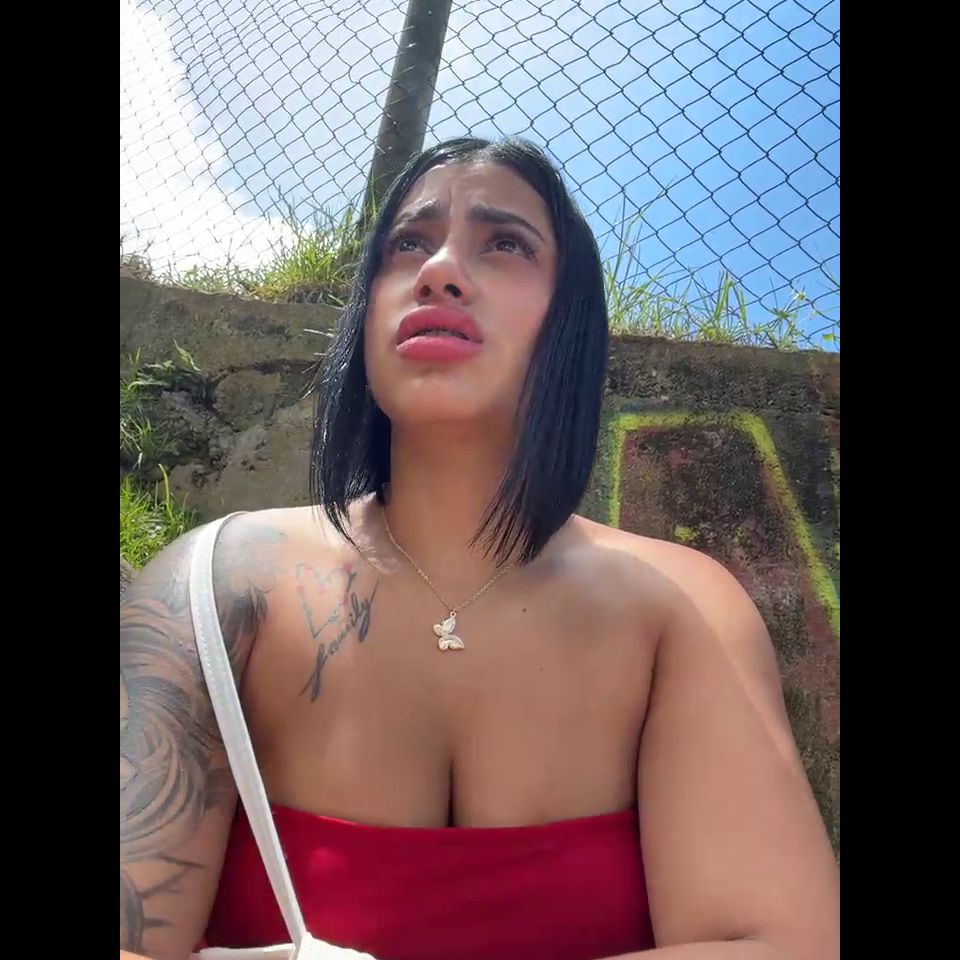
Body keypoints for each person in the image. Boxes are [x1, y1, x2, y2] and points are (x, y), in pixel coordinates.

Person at [120, 137, 839, 960]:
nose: (440, 271)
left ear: (568, 322)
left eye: (505, 244)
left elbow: (778, 944)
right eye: (408, 244)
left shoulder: (679, 608)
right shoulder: (212, 587)